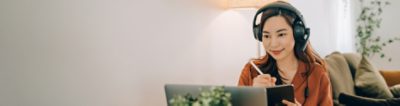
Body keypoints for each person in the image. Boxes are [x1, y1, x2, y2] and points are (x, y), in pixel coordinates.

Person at [237, 1, 333, 106]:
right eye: (267, 36)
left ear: (297, 33)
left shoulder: (317, 74)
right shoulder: (251, 72)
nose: (273, 44)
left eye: (281, 34)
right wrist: (253, 97)